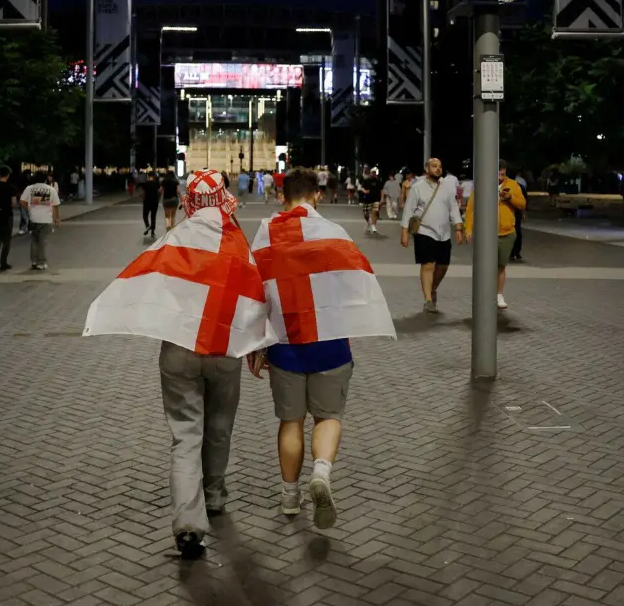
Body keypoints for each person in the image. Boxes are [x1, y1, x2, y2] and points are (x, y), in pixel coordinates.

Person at [84, 169, 274, 560]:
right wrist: (260, 345)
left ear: (188, 201)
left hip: (180, 351)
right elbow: (256, 296)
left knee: (185, 436)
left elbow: (146, 282)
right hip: (224, 350)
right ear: (224, 199)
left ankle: (188, 523)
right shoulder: (236, 242)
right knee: (219, 428)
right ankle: (216, 496)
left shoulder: (173, 240)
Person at [247, 168, 395, 530]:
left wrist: (254, 343)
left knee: (290, 421)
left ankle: (289, 496)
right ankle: (323, 472)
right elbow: (357, 280)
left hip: (285, 344)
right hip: (330, 342)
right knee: (328, 417)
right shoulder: (334, 232)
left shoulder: (265, 233)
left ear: (283, 196)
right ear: (317, 196)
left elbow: (254, 288)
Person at [399, 158, 463, 313]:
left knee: (443, 266)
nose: (438, 169)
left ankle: (433, 288)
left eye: (440, 166)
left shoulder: (447, 187)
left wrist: (458, 227)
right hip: (424, 231)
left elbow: (453, 207)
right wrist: (404, 232)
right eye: (434, 166)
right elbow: (408, 209)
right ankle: (428, 299)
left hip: (444, 233)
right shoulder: (417, 187)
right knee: (428, 265)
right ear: (427, 169)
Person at [464, 159, 526, 309]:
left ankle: (498, 295)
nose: (500, 176)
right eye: (498, 173)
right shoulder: (482, 185)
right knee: (485, 266)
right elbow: (471, 209)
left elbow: (522, 204)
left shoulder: (512, 185)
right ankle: (483, 295)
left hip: (506, 232)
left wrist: (509, 197)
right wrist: (468, 228)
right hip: (485, 234)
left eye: (502, 173)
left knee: (500, 266)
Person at [20, 171, 60, 270]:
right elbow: (55, 206)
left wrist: (29, 208)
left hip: (33, 218)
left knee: (34, 240)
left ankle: (34, 261)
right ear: (45, 179)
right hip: (46, 219)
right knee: (43, 241)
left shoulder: (29, 188)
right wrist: (56, 219)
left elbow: (22, 201)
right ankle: (41, 262)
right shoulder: (51, 189)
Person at [0, 165, 18, 271]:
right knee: (7, 239)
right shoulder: (11, 188)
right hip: (6, 214)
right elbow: (14, 203)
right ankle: (3, 263)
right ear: (8, 175)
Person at [510, 171, 529, 262]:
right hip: (516, 213)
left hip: (515, 213)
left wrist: (523, 213)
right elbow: (524, 202)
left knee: (516, 233)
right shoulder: (520, 186)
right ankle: (515, 253)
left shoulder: (516, 187)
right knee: (517, 233)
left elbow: (523, 202)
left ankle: (514, 252)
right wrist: (524, 213)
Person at [358, 168, 383, 234]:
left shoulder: (378, 181)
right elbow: (362, 188)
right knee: (366, 215)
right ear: (370, 173)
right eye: (373, 172)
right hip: (367, 199)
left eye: (375, 172)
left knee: (374, 212)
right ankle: (369, 222)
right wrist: (365, 191)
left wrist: (382, 198)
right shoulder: (366, 180)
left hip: (375, 199)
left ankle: (373, 226)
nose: (374, 174)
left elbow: (381, 190)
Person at [141, 170, 161, 238]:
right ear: (154, 176)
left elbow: (143, 193)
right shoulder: (157, 183)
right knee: (153, 216)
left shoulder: (145, 183)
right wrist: (158, 199)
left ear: (148, 176)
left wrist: (143, 200)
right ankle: (152, 232)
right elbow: (159, 192)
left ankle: (148, 226)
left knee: (145, 215)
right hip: (155, 201)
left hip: (147, 201)